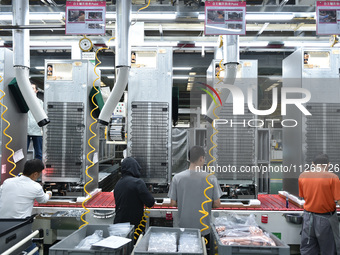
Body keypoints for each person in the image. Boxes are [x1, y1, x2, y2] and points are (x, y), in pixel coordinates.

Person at [168, 146, 223, 240]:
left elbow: (172, 203)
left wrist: (185, 202)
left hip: (183, 228)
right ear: (202, 158)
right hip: (203, 229)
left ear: (189, 159)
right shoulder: (211, 178)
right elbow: (217, 204)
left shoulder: (177, 178)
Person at [299, 153, 340, 255]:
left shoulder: (303, 176)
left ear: (313, 164)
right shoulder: (333, 177)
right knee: (329, 250)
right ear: (328, 164)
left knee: (308, 249)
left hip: (308, 219)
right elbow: (338, 200)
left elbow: (303, 196)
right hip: (326, 220)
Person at [114, 157, 155, 228]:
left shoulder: (118, 183)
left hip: (118, 225)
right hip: (134, 226)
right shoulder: (138, 183)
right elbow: (150, 202)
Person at [27, 84, 43, 161]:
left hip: (37, 131)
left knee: (39, 153)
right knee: (22, 152)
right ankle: (22, 170)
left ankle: (38, 171)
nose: (31, 89)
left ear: (36, 91)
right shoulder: (24, 101)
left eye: (33, 88)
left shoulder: (40, 103)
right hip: (25, 130)